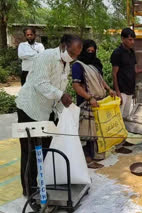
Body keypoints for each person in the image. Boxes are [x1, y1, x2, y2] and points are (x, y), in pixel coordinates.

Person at [15, 34, 82, 196]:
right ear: (63, 45)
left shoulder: (65, 64)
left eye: (76, 56)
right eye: (71, 53)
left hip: (46, 112)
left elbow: (58, 86)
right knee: (30, 151)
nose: (73, 57)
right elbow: (40, 83)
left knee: (44, 148)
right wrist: (60, 95)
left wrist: (64, 107)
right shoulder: (46, 57)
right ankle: (29, 190)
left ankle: (42, 184)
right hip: (29, 109)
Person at [72, 39, 116, 169]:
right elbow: (76, 85)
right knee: (87, 134)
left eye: (93, 51)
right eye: (88, 51)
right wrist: (89, 97)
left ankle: (95, 155)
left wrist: (109, 90)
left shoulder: (93, 65)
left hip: (98, 103)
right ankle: (87, 159)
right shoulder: (77, 65)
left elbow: (100, 80)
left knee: (97, 132)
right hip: (87, 103)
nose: (91, 53)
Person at [110, 28, 142, 153]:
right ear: (122, 39)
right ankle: (118, 146)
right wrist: (117, 92)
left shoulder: (131, 53)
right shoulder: (117, 53)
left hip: (129, 90)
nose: (132, 41)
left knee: (124, 117)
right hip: (121, 91)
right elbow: (114, 74)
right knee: (118, 119)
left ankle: (123, 141)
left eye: (133, 39)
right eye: (129, 39)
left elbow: (135, 71)